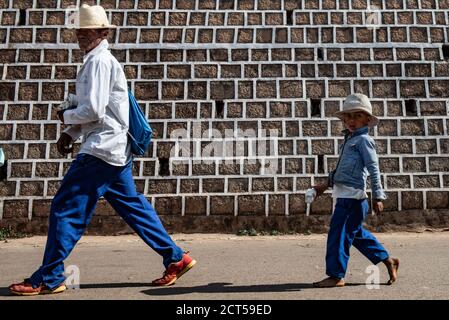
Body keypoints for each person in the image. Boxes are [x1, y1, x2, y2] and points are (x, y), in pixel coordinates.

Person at [9, 4, 196, 296]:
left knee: (66, 208)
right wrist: (71, 133)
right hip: (113, 150)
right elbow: (102, 110)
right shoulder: (96, 60)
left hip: (101, 150)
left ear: (103, 32)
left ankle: (50, 276)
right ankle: (176, 257)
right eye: (79, 31)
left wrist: (66, 119)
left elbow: (94, 110)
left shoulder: (99, 62)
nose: (81, 36)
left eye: (88, 31)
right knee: (133, 207)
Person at [312, 93, 399, 288]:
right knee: (356, 234)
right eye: (347, 117)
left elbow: (373, 168)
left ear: (367, 119)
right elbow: (341, 172)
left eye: (357, 116)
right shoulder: (348, 141)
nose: (351, 120)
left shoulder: (363, 141)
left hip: (352, 199)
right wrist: (323, 186)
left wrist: (378, 195)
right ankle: (388, 260)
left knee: (338, 235)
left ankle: (336, 275)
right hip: (345, 196)